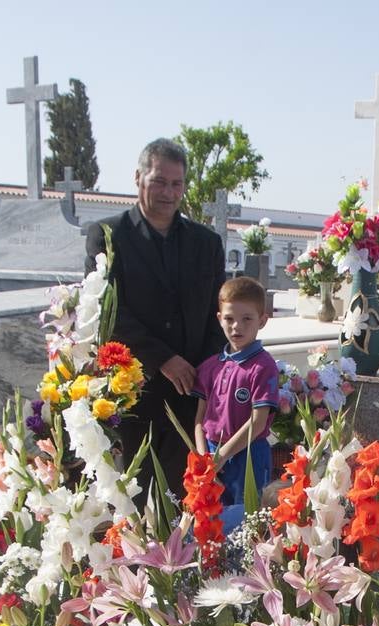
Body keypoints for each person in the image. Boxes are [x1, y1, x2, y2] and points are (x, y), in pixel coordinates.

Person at [85, 138, 225, 497]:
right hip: (136, 394)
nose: (168, 192)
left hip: (191, 396)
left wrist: (204, 374)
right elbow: (108, 311)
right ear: (138, 177)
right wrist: (163, 359)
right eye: (159, 181)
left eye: (176, 184)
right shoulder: (107, 237)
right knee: (140, 497)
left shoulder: (206, 243)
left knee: (189, 501)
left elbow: (218, 313)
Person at [193, 276, 278, 505]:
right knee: (212, 520)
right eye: (229, 318)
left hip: (248, 455)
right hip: (212, 454)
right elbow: (200, 419)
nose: (236, 326)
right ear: (219, 319)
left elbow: (258, 422)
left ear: (262, 320)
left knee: (247, 520)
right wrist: (205, 459)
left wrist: (223, 455)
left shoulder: (263, 366)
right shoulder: (210, 366)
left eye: (246, 319)